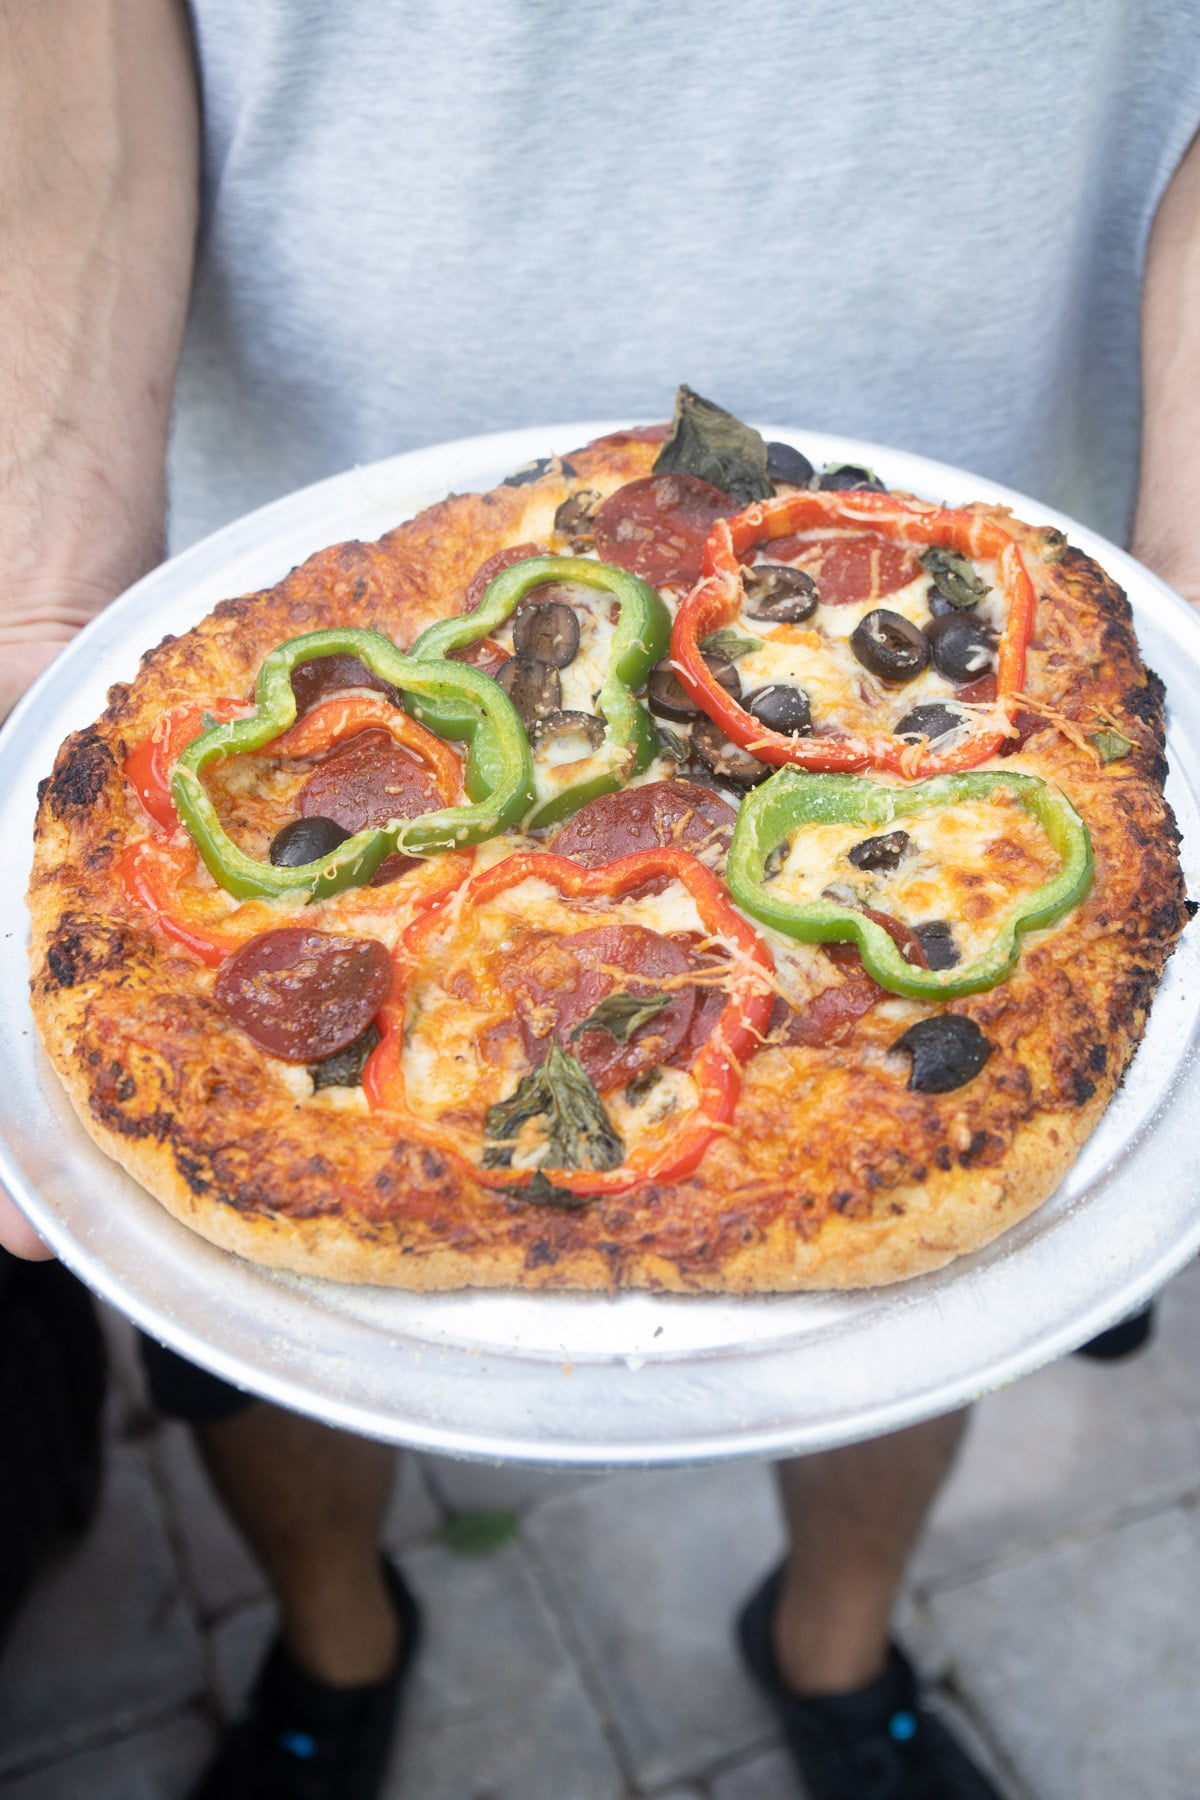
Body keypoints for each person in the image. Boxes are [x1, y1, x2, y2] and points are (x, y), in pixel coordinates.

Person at [3, 5, 1198, 1797]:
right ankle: (335, 1652)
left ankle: (836, 1647)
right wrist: (37, 596)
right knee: (232, 1322)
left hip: (972, 568)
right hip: (328, 600)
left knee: (949, 1276)